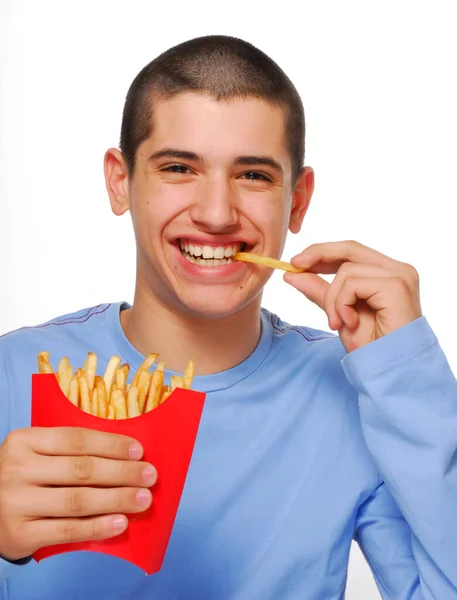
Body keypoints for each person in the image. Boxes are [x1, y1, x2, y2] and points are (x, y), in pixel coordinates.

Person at [0, 34, 456, 600]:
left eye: (254, 176)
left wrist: (409, 373)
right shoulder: (11, 374)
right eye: (178, 168)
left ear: (298, 200)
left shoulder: (357, 391)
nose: (217, 214)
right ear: (121, 181)